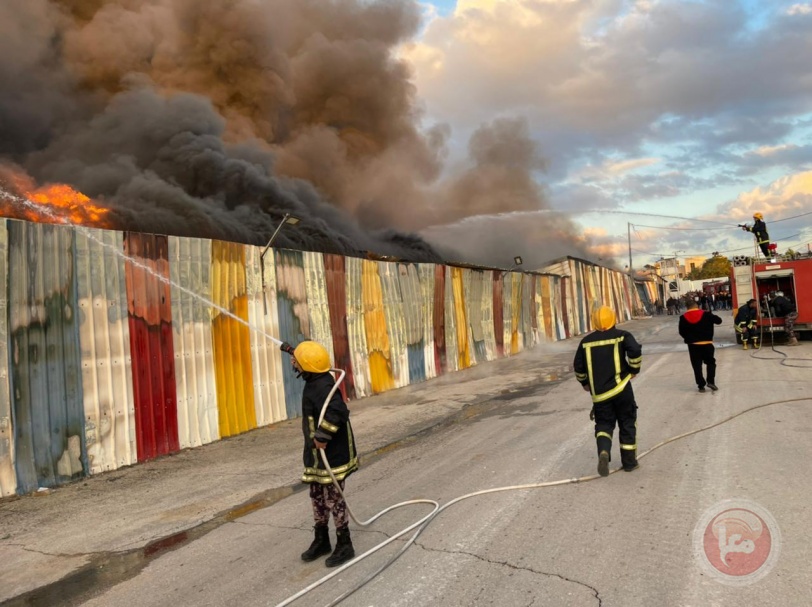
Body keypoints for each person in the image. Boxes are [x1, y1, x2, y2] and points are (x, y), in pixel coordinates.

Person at [283, 340, 359, 568]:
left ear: (306, 365)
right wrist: (290, 348)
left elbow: (338, 411)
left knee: (333, 498)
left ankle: (345, 543)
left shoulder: (322, 387)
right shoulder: (315, 376)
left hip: (332, 455)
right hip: (316, 455)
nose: (293, 362)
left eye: (295, 360)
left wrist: (323, 436)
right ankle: (322, 539)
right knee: (316, 495)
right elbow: (306, 356)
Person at [573, 305, 643, 476]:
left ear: (594, 321)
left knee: (604, 424)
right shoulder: (622, 336)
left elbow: (578, 367)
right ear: (613, 318)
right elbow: (634, 350)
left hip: (600, 395)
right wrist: (634, 370)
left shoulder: (585, 342)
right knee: (627, 422)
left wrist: (585, 383)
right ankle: (629, 463)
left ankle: (603, 452)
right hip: (621, 389)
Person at [678, 299, 723, 393]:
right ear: (696, 305)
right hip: (707, 343)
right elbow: (719, 321)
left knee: (696, 366)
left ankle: (701, 385)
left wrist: (689, 338)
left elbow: (681, 332)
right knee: (710, 363)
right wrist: (710, 315)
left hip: (693, 346)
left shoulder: (683, 317)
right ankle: (711, 381)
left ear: (687, 307)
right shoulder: (706, 314)